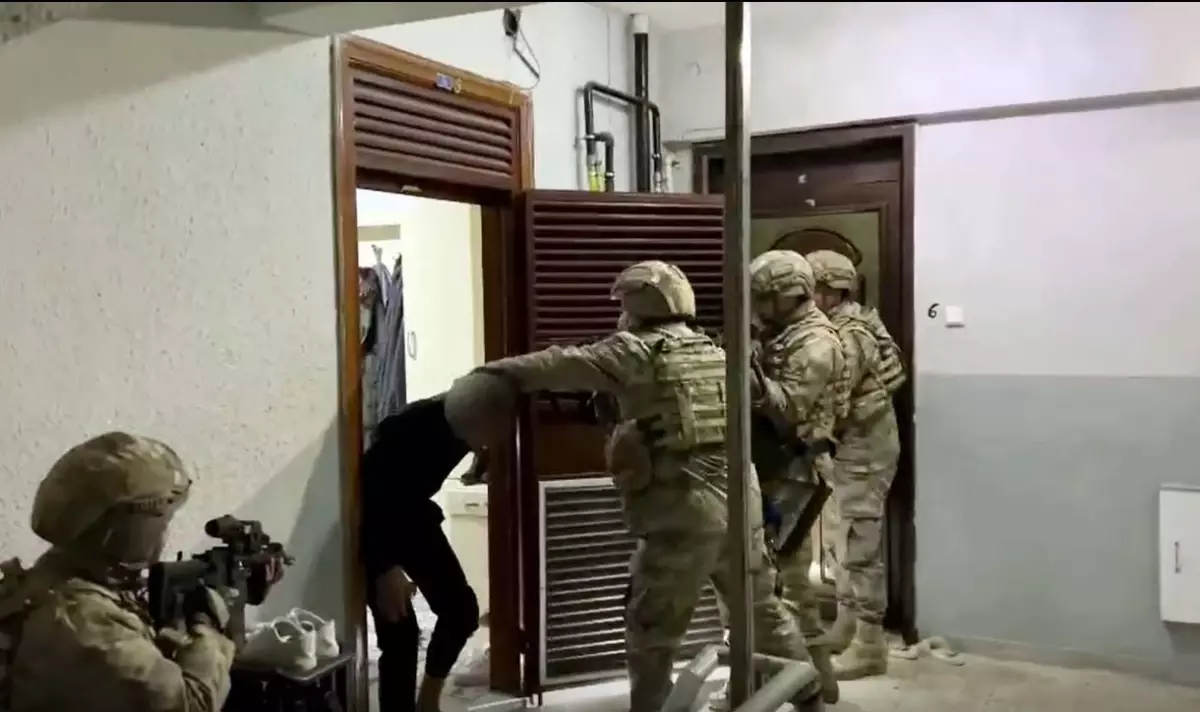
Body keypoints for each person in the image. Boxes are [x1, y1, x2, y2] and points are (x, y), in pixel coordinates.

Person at [471, 260, 823, 712]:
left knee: (652, 630)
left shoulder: (634, 352)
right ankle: (811, 697)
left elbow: (554, 365)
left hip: (682, 512)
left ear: (638, 305)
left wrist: (489, 373)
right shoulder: (716, 349)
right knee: (762, 610)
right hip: (744, 504)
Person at [0, 432, 237, 711]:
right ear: (132, 530)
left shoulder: (48, 582)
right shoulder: (82, 622)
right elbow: (192, 704)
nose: (164, 533)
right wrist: (209, 632)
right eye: (162, 522)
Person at [361, 377, 512, 712]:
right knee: (400, 633)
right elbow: (372, 493)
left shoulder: (466, 413)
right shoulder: (414, 430)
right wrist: (386, 569)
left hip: (413, 513)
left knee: (461, 612)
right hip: (375, 522)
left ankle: (428, 700)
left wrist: (482, 460)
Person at [745, 249, 849, 700]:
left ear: (788, 295)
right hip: (777, 467)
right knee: (784, 583)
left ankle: (806, 687)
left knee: (784, 584)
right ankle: (816, 683)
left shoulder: (815, 343)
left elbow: (788, 411)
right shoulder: (781, 333)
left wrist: (747, 374)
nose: (757, 306)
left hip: (795, 472)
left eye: (762, 297)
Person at [806, 250, 905, 680]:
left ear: (831, 291)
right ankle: (846, 626)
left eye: (811, 290)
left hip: (864, 452)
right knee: (840, 543)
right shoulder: (838, 326)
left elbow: (836, 397)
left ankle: (869, 644)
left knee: (860, 550)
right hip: (848, 450)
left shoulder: (851, 333)